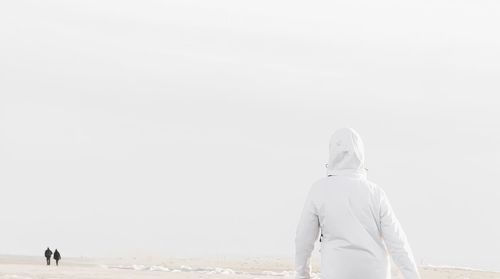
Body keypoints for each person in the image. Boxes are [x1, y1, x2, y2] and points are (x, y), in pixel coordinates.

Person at [295, 128, 420, 279]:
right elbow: (397, 242)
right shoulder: (375, 193)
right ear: (361, 154)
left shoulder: (319, 190)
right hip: (375, 273)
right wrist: (412, 275)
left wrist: (302, 275)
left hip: (336, 272)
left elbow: (303, 240)